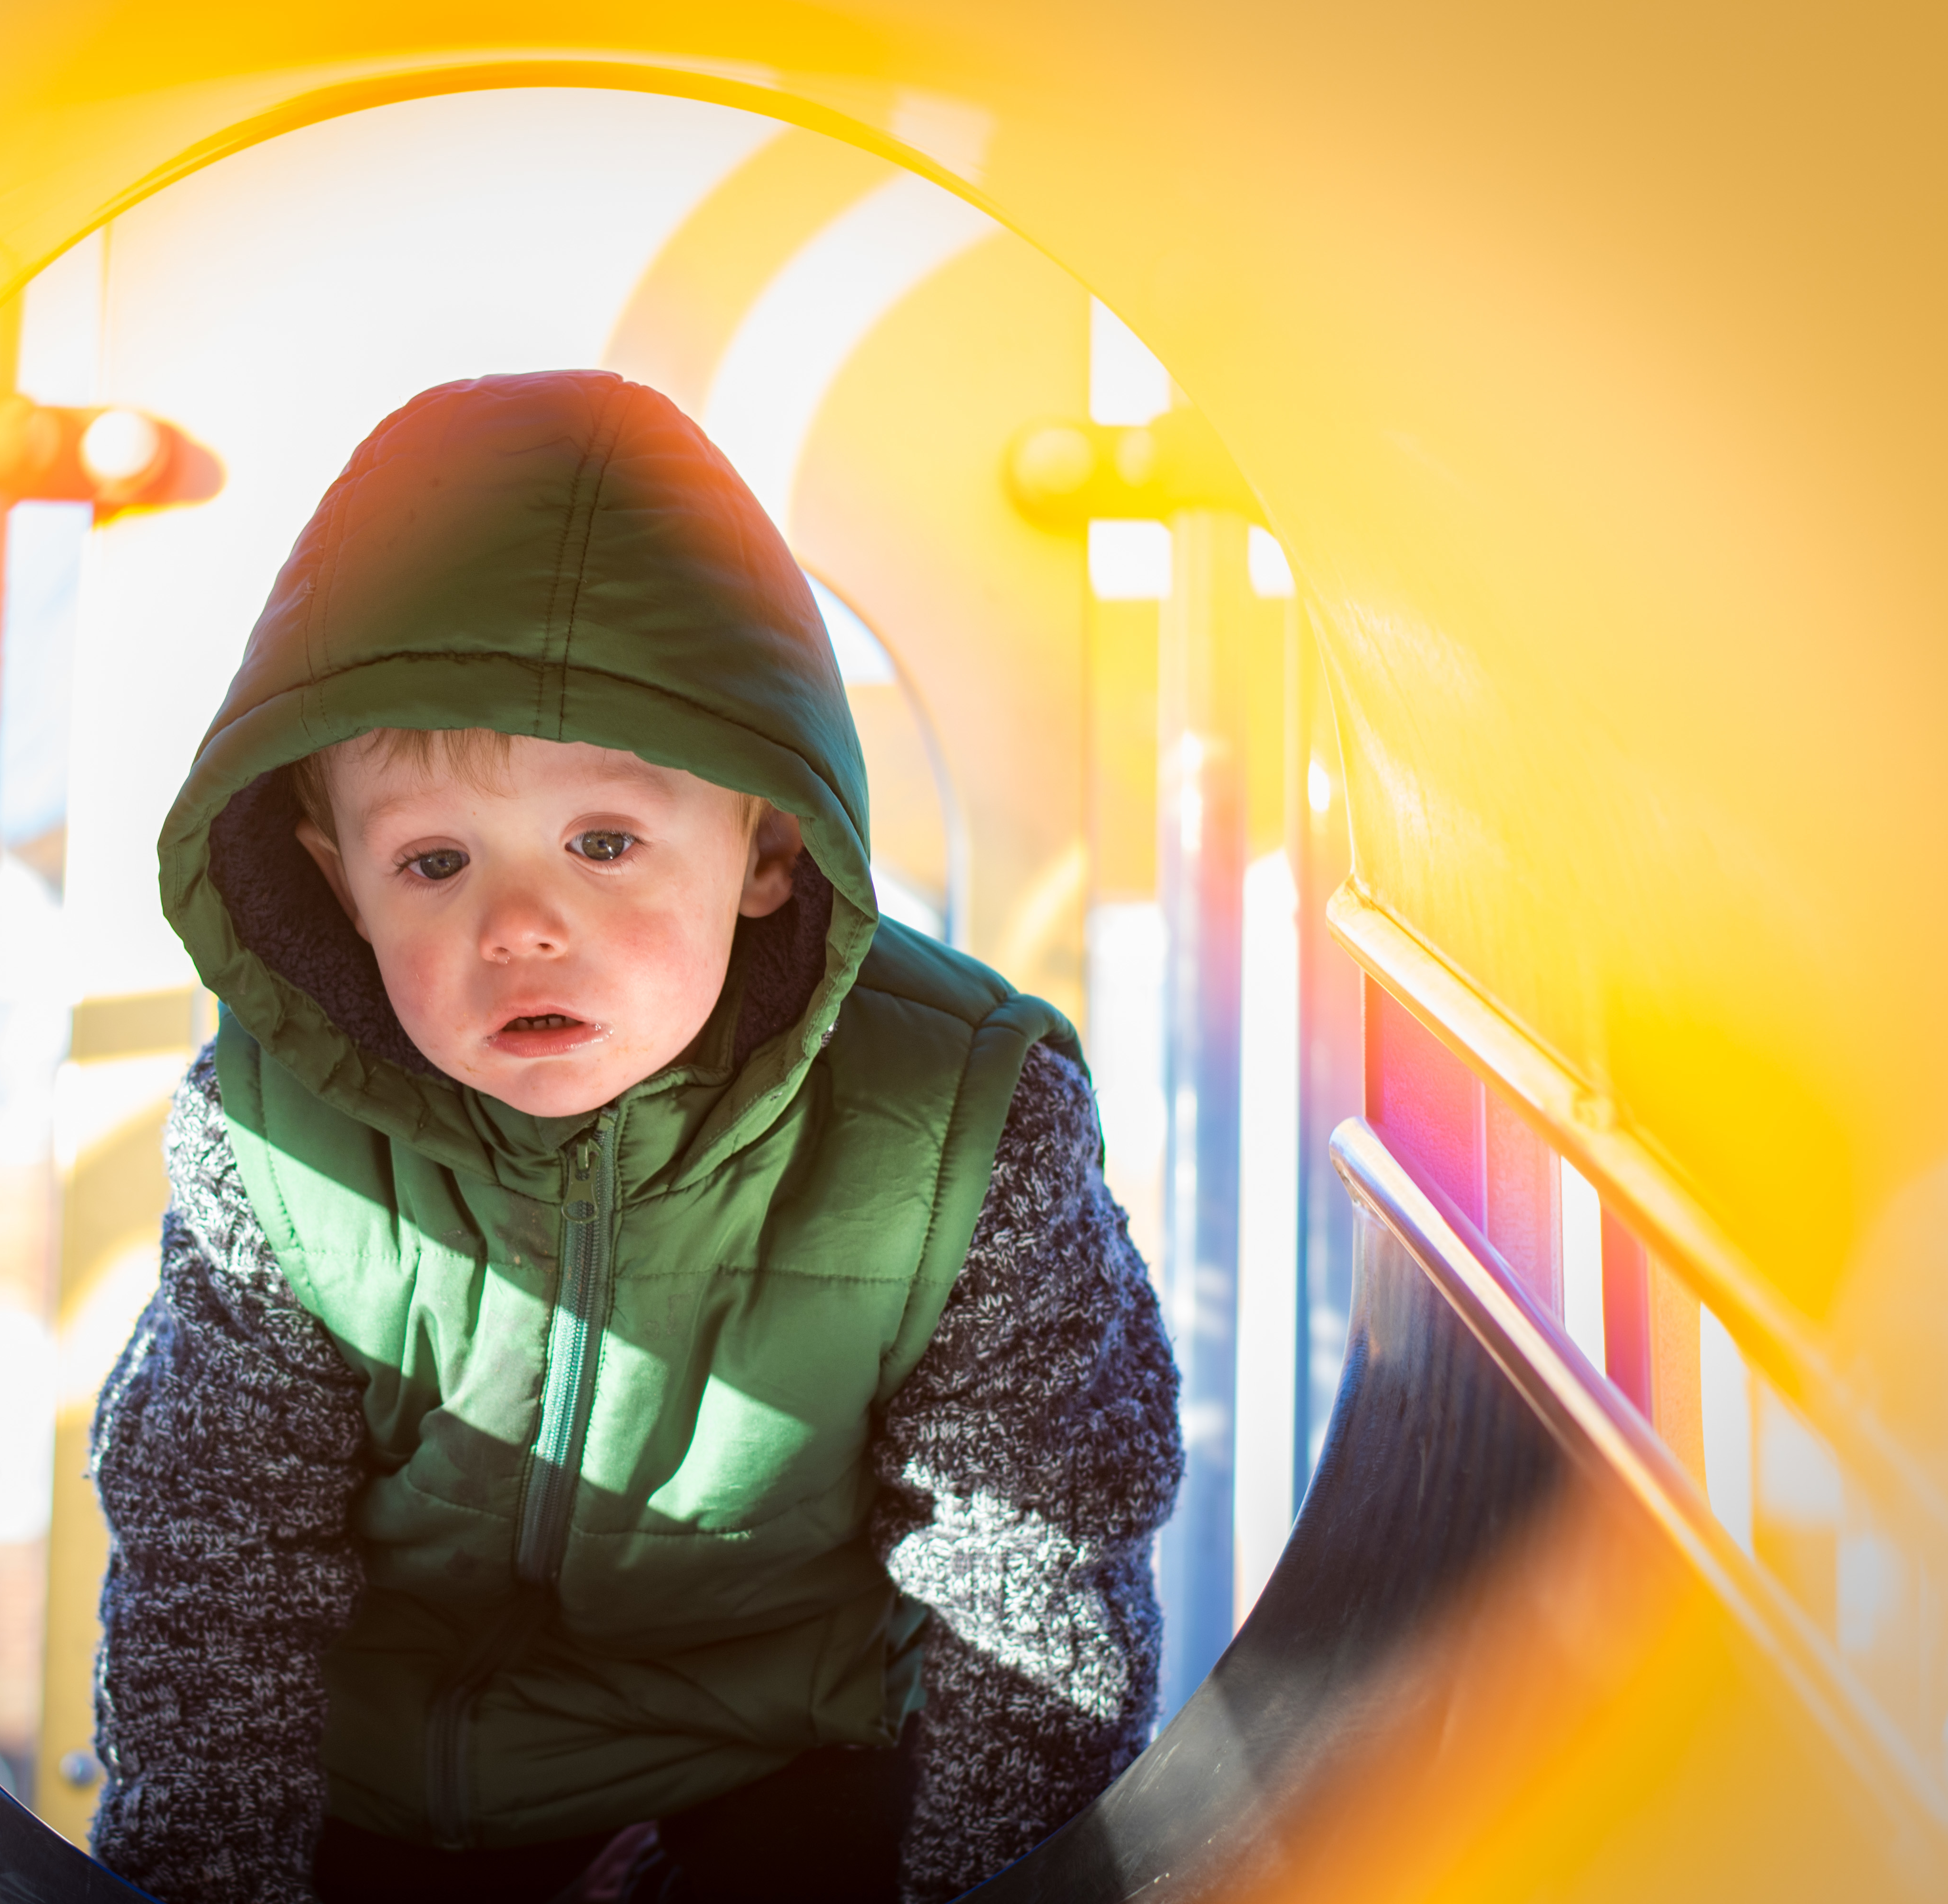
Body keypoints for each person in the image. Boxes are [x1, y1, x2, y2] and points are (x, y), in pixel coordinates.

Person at [88, 370, 1180, 1904]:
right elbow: (216, 1558)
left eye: (605, 843)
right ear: (334, 879)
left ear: (766, 845)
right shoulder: (283, 1137)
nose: (523, 926)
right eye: (436, 859)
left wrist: (994, 1883)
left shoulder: (958, 1129)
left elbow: (1031, 1558)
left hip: (780, 1771)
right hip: (386, 1782)